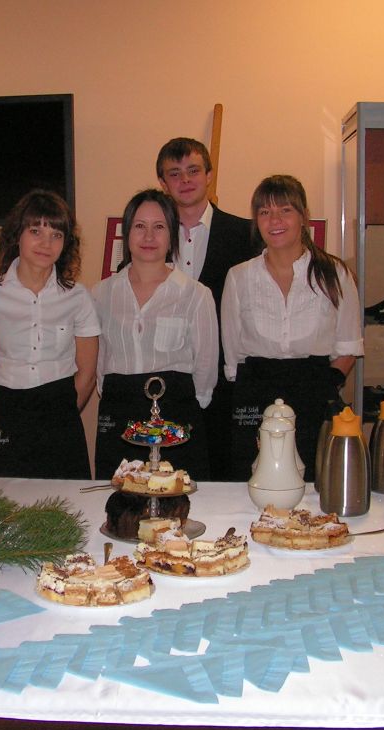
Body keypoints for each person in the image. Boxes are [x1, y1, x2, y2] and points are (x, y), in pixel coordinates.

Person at [222, 175, 363, 483]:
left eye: (285, 210)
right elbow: (233, 358)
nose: (275, 220)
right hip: (255, 395)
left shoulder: (335, 274)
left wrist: (323, 388)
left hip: (313, 392)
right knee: (252, 482)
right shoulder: (239, 277)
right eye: (265, 212)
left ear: (303, 217)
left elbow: (349, 345)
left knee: (312, 484)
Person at [0, 190, 99, 479]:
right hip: (5, 411)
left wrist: (61, 411)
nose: (46, 243)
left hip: (60, 413)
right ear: (17, 234)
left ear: (66, 243)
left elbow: (88, 374)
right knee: (2, 499)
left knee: (67, 500)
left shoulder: (78, 297)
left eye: (56, 235)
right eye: (36, 231)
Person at [93, 189, 218, 481]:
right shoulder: (101, 294)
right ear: (126, 234)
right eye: (140, 226)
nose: (149, 236)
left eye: (159, 227)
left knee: (178, 501)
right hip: (119, 417)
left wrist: (183, 410)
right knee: (120, 503)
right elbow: (100, 364)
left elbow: (205, 370)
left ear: (172, 234)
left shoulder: (196, 295)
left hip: (176, 418)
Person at [156, 137, 253, 480]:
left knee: (223, 477)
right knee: (166, 478)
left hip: (227, 385)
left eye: (193, 170)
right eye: (174, 173)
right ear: (163, 183)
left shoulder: (246, 234)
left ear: (209, 175)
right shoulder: (151, 236)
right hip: (166, 384)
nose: (185, 180)